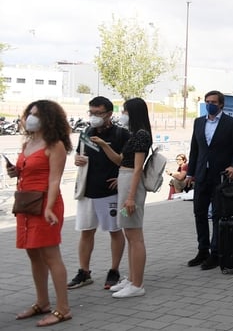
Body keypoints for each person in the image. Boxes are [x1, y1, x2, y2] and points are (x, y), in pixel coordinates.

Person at [10, 100, 73, 326]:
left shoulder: (54, 145)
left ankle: (63, 308)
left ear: (48, 118)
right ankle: (42, 302)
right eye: (29, 113)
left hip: (46, 205)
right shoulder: (28, 143)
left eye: (36, 114)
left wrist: (48, 207)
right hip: (27, 205)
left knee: (51, 256)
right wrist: (14, 171)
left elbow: (54, 179)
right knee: (33, 254)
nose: (30, 118)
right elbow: (27, 171)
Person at [89, 97, 151, 298]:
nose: (122, 115)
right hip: (124, 180)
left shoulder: (141, 135)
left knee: (135, 235)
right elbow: (120, 160)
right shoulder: (134, 135)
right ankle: (132, 279)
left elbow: (137, 169)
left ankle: (137, 283)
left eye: (125, 111)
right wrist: (104, 145)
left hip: (131, 184)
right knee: (129, 233)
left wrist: (131, 197)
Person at [68, 96, 129, 292]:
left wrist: (120, 179)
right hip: (87, 190)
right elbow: (80, 155)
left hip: (109, 192)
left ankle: (114, 270)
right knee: (86, 232)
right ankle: (84, 272)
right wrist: (77, 159)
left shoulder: (121, 134)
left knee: (114, 230)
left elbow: (124, 163)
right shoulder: (85, 132)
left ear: (109, 114)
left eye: (98, 113)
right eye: (91, 113)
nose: (94, 117)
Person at [185, 91, 233, 270]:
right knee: (199, 213)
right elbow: (194, 150)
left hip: (220, 176)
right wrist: (190, 173)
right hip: (202, 174)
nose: (209, 104)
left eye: (213, 102)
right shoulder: (199, 122)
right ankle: (202, 250)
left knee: (218, 214)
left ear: (221, 105)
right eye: (207, 101)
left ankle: (216, 252)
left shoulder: (232, 124)